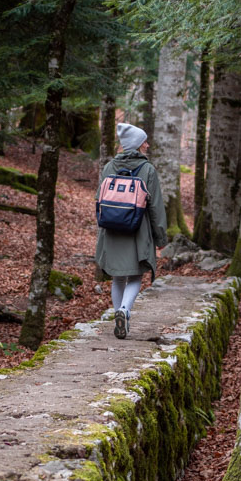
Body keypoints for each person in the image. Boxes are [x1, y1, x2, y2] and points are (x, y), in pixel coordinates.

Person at [95, 123, 167, 339]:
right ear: (136, 145)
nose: (148, 144)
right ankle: (125, 311)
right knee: (135, 275)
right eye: (144, 141)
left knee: (118, 277)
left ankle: (118, 313)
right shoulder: (147, 170)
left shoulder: (109, 167)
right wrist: (160, 237)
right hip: (138, 230)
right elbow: (155, 207)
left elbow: (99, 200)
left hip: (112, 230)